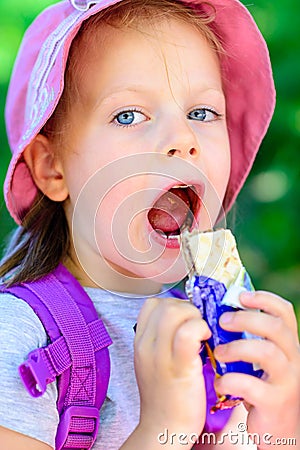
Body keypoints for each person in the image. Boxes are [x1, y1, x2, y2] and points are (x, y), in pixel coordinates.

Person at [0, 0, 299, 449]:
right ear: (52, 168)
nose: (184, 138)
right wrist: (162, 427)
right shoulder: (20, 336)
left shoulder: (230, 319)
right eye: (129, 115)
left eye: (202, 113)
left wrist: (280, 425)